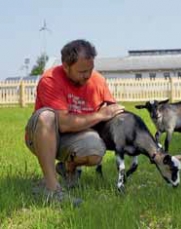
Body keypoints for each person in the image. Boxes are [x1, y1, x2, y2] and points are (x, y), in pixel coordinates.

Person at [25, 39, 124, 205]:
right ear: (66, 66)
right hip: (43, 135)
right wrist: (100, 115)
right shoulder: (50, 80)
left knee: (95, 151)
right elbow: (63, 123)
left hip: (73, 137)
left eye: (91, 69)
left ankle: (66, 167)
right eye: (82, 71)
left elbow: (113, 110)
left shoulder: (97, 80)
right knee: (47, 116)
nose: (88, 75)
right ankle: (51, 188)